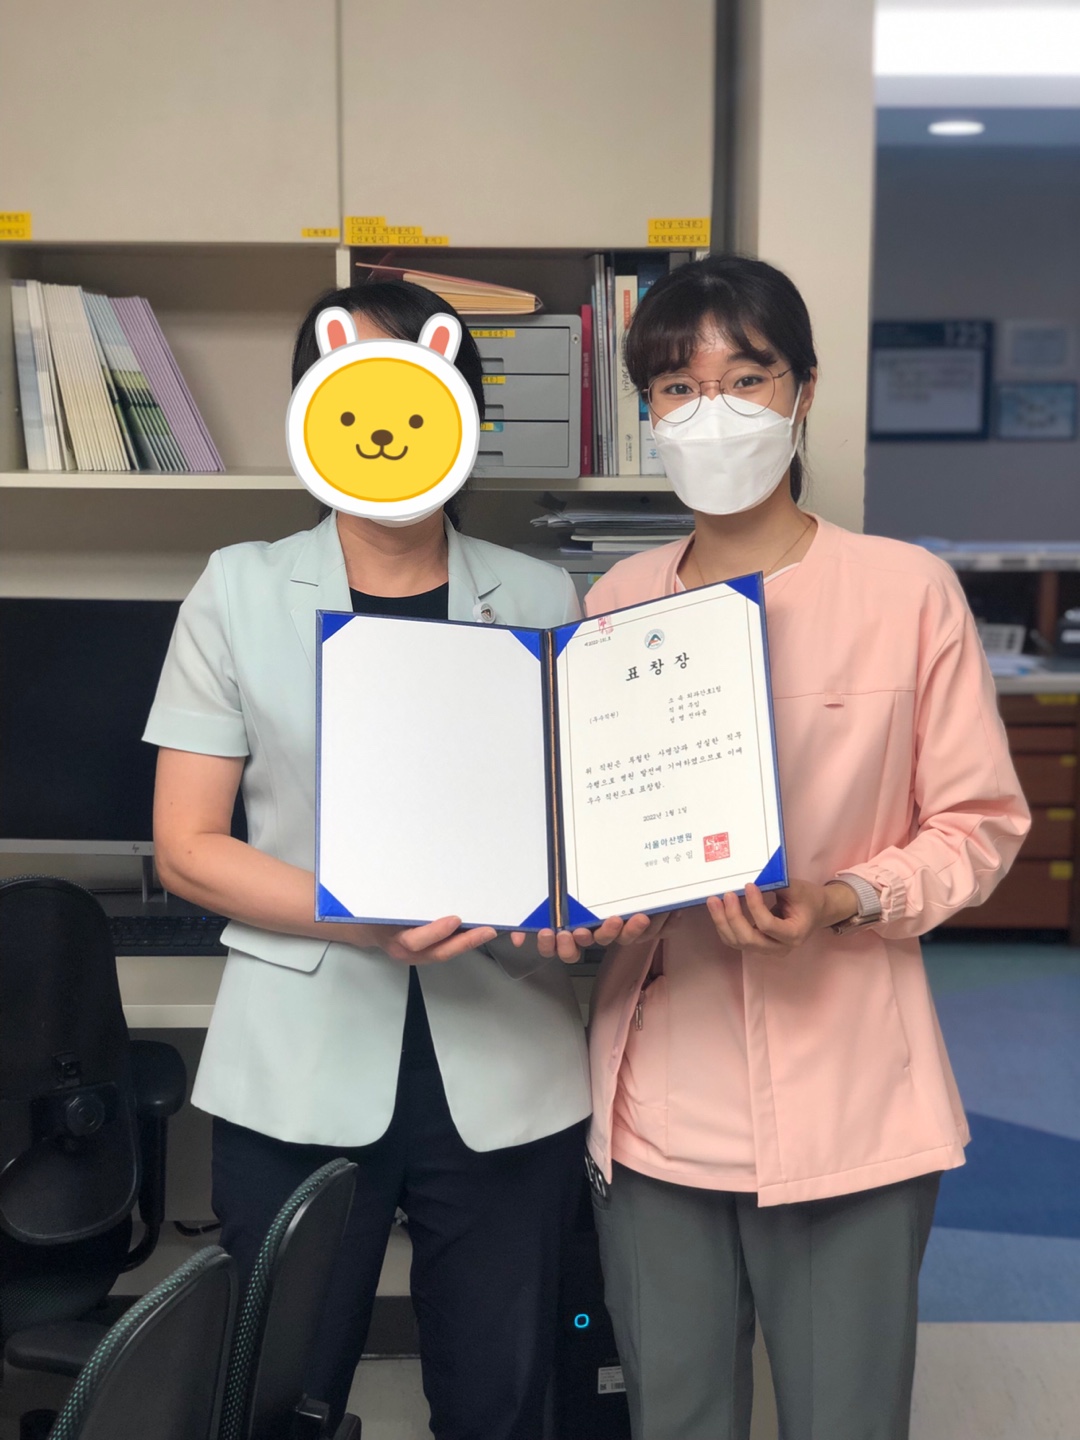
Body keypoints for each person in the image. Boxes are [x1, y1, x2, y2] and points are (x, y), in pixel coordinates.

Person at [143, 280, 645, 1440]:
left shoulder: (539, 593)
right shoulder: (240, 588)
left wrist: (580, 910)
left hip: (507, 1057)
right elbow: (189, 847)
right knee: (279, 1394)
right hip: (298, 1062)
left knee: (500, 1400)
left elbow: (572, 837)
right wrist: (358, 913)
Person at [581, 255, 1031, 1440]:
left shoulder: (904, 591)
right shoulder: (617, 602)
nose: (713, 411)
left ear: (805, 391)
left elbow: (980, 826)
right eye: (678, 387)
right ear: (648, 414)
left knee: (845, 1417)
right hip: (660, 1095)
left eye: (748, 378)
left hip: (849, 1095)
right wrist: (576, 902)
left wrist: (844, 896)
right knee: (674, 1415)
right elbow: (593, 830)